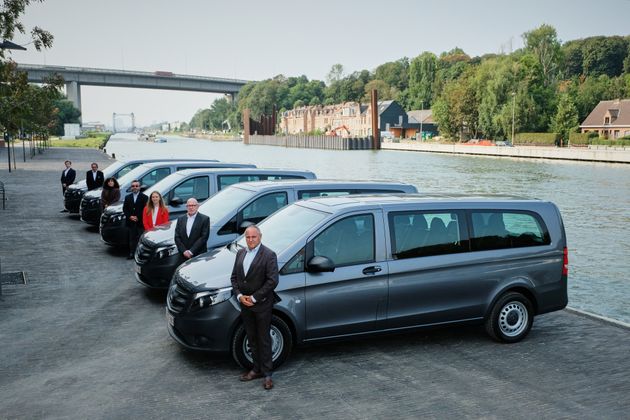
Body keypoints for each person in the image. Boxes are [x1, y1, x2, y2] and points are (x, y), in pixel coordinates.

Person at [230, 225, 279, 390]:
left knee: (263, 339)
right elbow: (234, 278)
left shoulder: (269, 255)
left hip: (262, 304)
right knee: (251, 338)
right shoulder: (240, 253)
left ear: (260, 237)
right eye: (248, 237)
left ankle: (268, 375)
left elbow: (272, 281)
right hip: (245, 304)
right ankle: (256, 369)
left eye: (254, 237)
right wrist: (239, 296)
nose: (250, 240)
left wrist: (254, 297)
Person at [174, 198, 210, 263]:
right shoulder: (180, 219)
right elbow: (177, 237)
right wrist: (184, 251)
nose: (191, 207)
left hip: (198, 255)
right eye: (189, 205)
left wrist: (191, 251)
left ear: (197, 206)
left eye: (193, 205)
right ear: (186, 207)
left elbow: (204, 238)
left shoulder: (205, 219)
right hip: (183, 256)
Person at [122, 180, 148, 259]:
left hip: (140, 222)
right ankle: (132, 253)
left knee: (140, 239)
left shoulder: (145, 197)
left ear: (139, 187)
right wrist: (130, 216)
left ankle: (140, 254)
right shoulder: (127, 197)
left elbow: (145, 209)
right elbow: (125, 208)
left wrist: (137, 217)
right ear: (131, 187)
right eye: (133, 186)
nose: (135, 187)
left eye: (136, 186)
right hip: (131, 222)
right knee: (131, 239)